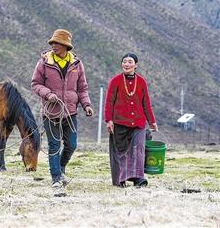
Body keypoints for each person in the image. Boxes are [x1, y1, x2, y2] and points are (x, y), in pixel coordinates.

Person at [31, 29, 93, 196]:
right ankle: (56, 178)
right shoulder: (44, 63)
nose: (53, 46)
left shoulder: (77, 64)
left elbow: (82, 88)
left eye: (57, 43)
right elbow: (35, 84)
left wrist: (86, 104)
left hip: (71, 113)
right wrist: (48, 94)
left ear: (66, 46)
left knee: (72, 145)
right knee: (54, 145)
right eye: (52, 43)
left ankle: (61, 167)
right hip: (51, 113)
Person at [104, 53, 158, 188]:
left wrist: (152, 121)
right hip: (119, 122)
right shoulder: (115, 81)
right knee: (120, 152)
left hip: (138, 122)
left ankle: (138, 179)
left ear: (136, 65)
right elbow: (109, 102)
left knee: (138, 149)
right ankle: (121, 179)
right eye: (124, 62)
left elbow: (146, 103)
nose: (126, 64)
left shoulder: (141, 81)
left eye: (130, 62)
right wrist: (108, 120)